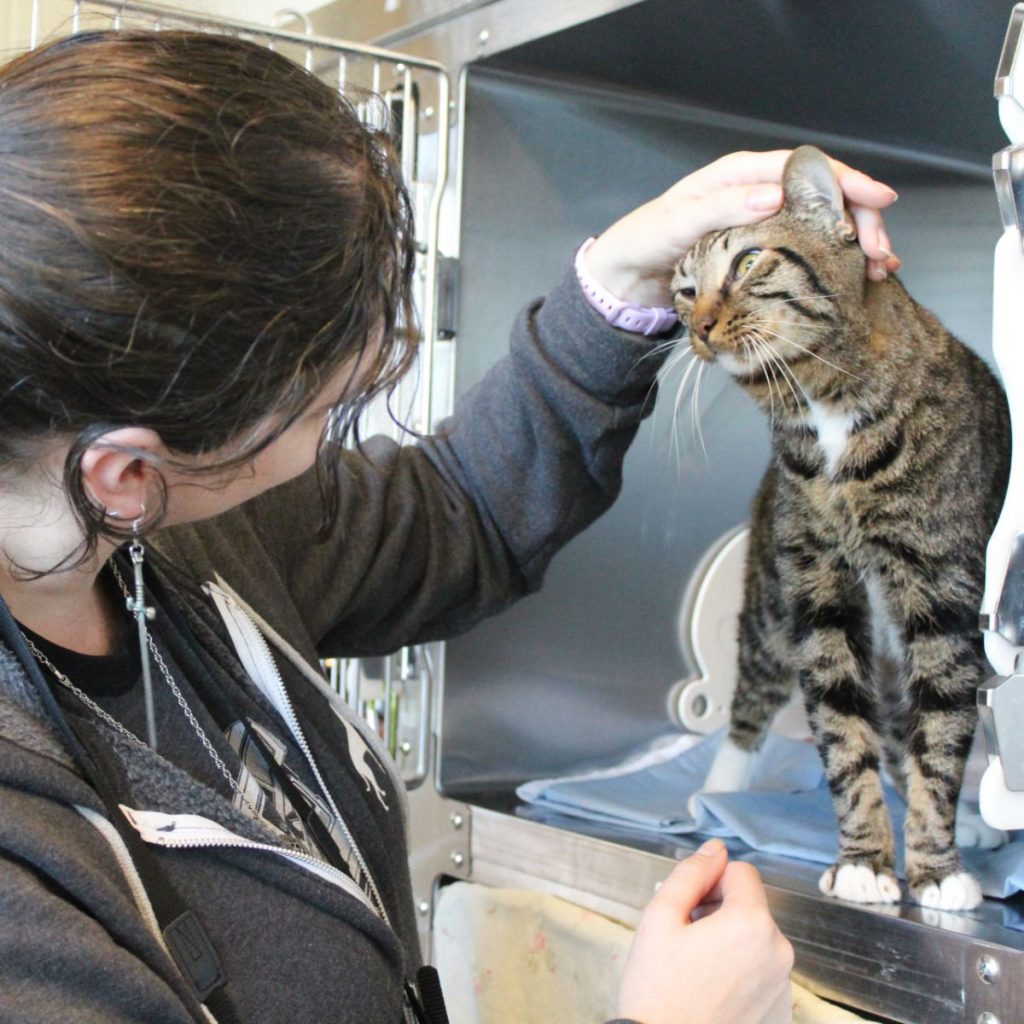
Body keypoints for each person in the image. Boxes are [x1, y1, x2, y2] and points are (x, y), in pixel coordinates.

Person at [0, 28, 899, 1024]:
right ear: (127, 471)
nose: (326, 446)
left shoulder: (153, 533)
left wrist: (621, 289)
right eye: (319, 415)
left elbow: (455, 509)